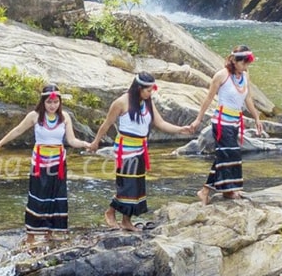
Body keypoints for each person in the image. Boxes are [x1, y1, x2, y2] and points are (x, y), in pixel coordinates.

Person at [90, 72, 196, 229]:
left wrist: (181, 129)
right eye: (148, 90)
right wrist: (95, 143)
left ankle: (126, 220)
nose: (150, 93)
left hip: (140, 148)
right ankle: (110, 212)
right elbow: (106, 124)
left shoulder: (147, 102)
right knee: (127, 185)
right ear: (138, 88)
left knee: (137, 185)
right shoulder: (121, 102)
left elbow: (160, 122)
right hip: (125, 149)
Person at [0, 84, 87, 243]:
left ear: (60, 102)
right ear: (43, 102)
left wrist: (86, 144)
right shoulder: (34, 116)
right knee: (37, 197)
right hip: (39, 164)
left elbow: (71, 140)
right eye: (49, 102)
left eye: (56, 102)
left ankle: (49, 233)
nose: (52, 106)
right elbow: (17, 131)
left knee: (55, 197)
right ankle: (30, 236)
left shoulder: (65, 117)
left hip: (58, 164)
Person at [196, 45, 263, 204]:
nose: (245, 67)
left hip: (234, 122)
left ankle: (215, 190)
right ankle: (216, 190)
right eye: (243, 63)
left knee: (224, 156)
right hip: (221, 123)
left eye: (247, 64)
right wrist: (198, 119)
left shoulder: (245, 76)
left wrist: (257, 118)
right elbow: (209, 98)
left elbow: (248, 100)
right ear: (234, 60)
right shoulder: (221, 75)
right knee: (230, 154)